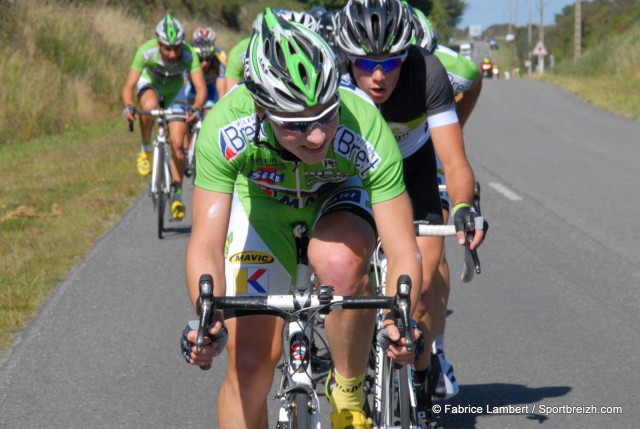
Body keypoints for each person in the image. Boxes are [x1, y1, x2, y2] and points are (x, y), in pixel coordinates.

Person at [180, 9, 425, 429]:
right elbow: (205, 242)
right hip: (264, 210)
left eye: (326, 115)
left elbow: (403, 246)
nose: (316, 135)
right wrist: (208, 320)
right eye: (295, 124)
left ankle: (347, 394)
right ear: (260, 108)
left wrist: (398, 320)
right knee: (251, 364)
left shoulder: (364, 123)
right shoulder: (225, 126)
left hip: (337, 197)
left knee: (338, 260)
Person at [334, 0, 487, 421]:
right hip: (353, 169)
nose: (379, 75)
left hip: (411, 167)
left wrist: (460, 205)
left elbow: (453, 160)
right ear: (346, 56)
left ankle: (420, 389)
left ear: (408, 54)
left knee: (417, 294)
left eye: (391, 61)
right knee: (346, 270)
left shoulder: (428, 72)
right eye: (365, 62)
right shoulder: (329, 72)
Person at [408, 3, 483, 400]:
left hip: (429, 153)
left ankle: (435, 351)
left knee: (432, 260)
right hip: (380, 157)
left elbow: (473, 82)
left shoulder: (453, 69)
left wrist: (457, 123)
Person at [121, 14, 206, 220]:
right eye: (167, 48)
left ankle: (177, 195)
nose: (172, 53)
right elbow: (129, 86)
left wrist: (194, 108)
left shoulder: (188, 54)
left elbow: (201, 88)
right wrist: (129, 106)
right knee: (149, 107)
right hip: (151, 86)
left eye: (176, 47)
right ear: (158, 44)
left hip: (175, 92)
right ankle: (146, 150)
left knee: (178, 144)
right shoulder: (146, 51)